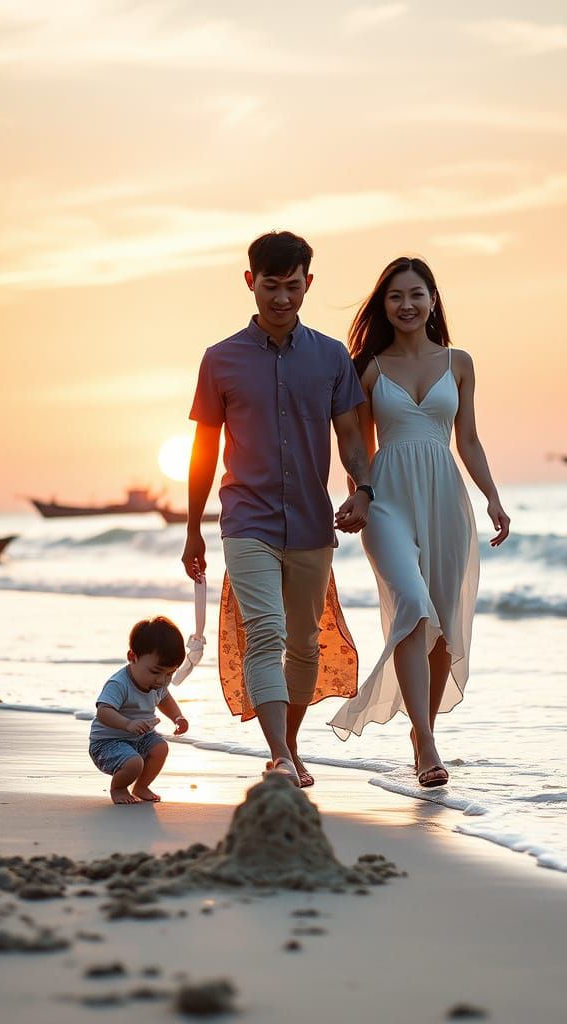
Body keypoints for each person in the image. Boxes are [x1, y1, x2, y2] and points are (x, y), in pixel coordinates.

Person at [181, 231, 372, 788]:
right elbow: (203, 450)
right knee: (265, 633)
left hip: (312, 522)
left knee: (305, 643)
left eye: (293, 286)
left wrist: (364, 488)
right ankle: (281, 756)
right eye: (271, 285)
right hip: (247, 520)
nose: (282, 298)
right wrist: (192, 529)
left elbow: (351, 437)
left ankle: (287, 746)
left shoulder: (331, 357)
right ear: (250, 282)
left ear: (308, 284)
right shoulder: (220, 360)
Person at [328, 256, 510, 788]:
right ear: (383, 305)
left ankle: (419, 731)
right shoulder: (368, 368)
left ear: (432, 300)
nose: (406, 305)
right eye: (395, 296)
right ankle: (428, 745)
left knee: (443, 627)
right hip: (387, 497)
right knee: (412, 604)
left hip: (446, 497)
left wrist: (493, 497)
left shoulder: (460, 363)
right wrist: (359, 494)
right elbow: (356, 445)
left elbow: (468, 439)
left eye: (416, 294)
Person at [88, 616, 189, 805]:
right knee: (134, 762)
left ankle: (141, 786)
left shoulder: (158, 684)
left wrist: (177, 717)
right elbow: (103, 711)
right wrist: (127, 724)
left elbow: (165, 699)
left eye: (170, 673)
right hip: (107, 743)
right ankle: (118, 788)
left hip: (141, 738)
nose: (162, 680)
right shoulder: (119, 684)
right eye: (155, 672)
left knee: (160, 748)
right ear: (132, 657)